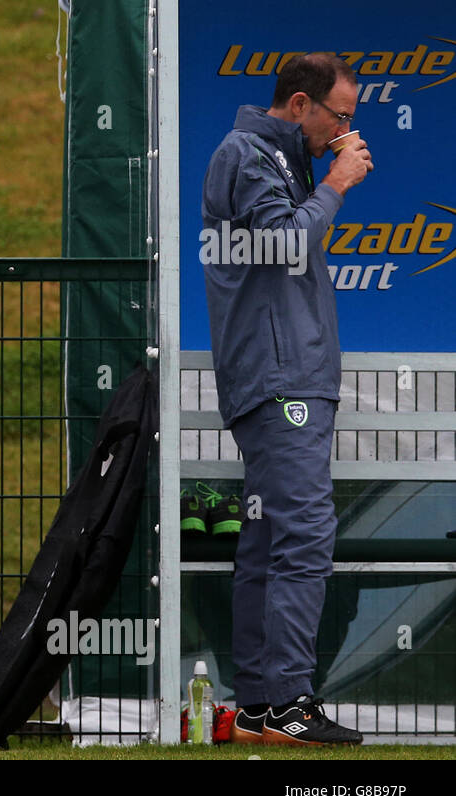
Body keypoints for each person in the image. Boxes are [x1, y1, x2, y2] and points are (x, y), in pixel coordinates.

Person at [200, 53, 372, 746]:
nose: (344, 130)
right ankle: (289, 702)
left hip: (281, 379)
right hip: (279, 382)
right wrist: (336, 182)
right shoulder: (248, 156)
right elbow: (282, 244)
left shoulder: (274, 160)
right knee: (303, 534)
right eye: (340, 116)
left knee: (270, 542)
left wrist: (320, 179)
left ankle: (257, 706)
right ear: (299, 105)